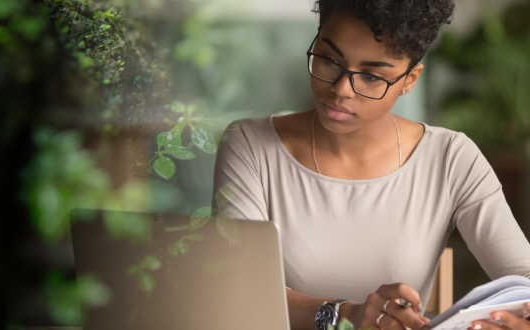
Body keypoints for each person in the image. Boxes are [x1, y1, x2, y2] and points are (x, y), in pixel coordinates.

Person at [211, 1, 530, 330]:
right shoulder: (250, 145)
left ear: (410, 79)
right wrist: (344, 315)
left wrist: (513, 320)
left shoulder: (450, 157)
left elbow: (525, 277)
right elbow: (239, 287)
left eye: (371, 76)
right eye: (329, 59)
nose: (340, 89)